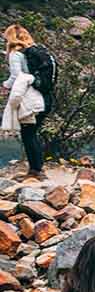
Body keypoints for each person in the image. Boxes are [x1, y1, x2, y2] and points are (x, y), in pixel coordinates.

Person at [2, 24, 46, 181]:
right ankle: (37, 169)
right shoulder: (28, 52)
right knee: (32, 133)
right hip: (37, 95)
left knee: (28, 134)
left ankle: (36, 171)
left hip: (26, 96)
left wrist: (4, 85)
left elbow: (16, 76)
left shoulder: (15, 54)